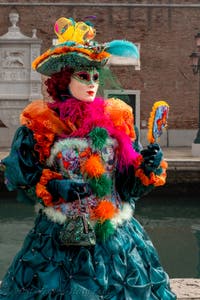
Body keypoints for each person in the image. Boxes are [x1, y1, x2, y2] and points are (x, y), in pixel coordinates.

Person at [0, 17, 176, 299]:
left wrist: (147, 167)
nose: (92, 83)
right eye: (83, 76)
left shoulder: (117, 119)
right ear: (63, 79)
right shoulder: (42, 124)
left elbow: (128, 186)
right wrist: (56, 186)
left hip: (116, 231)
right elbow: (22, 175)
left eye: (95, 76)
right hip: (62, 232)